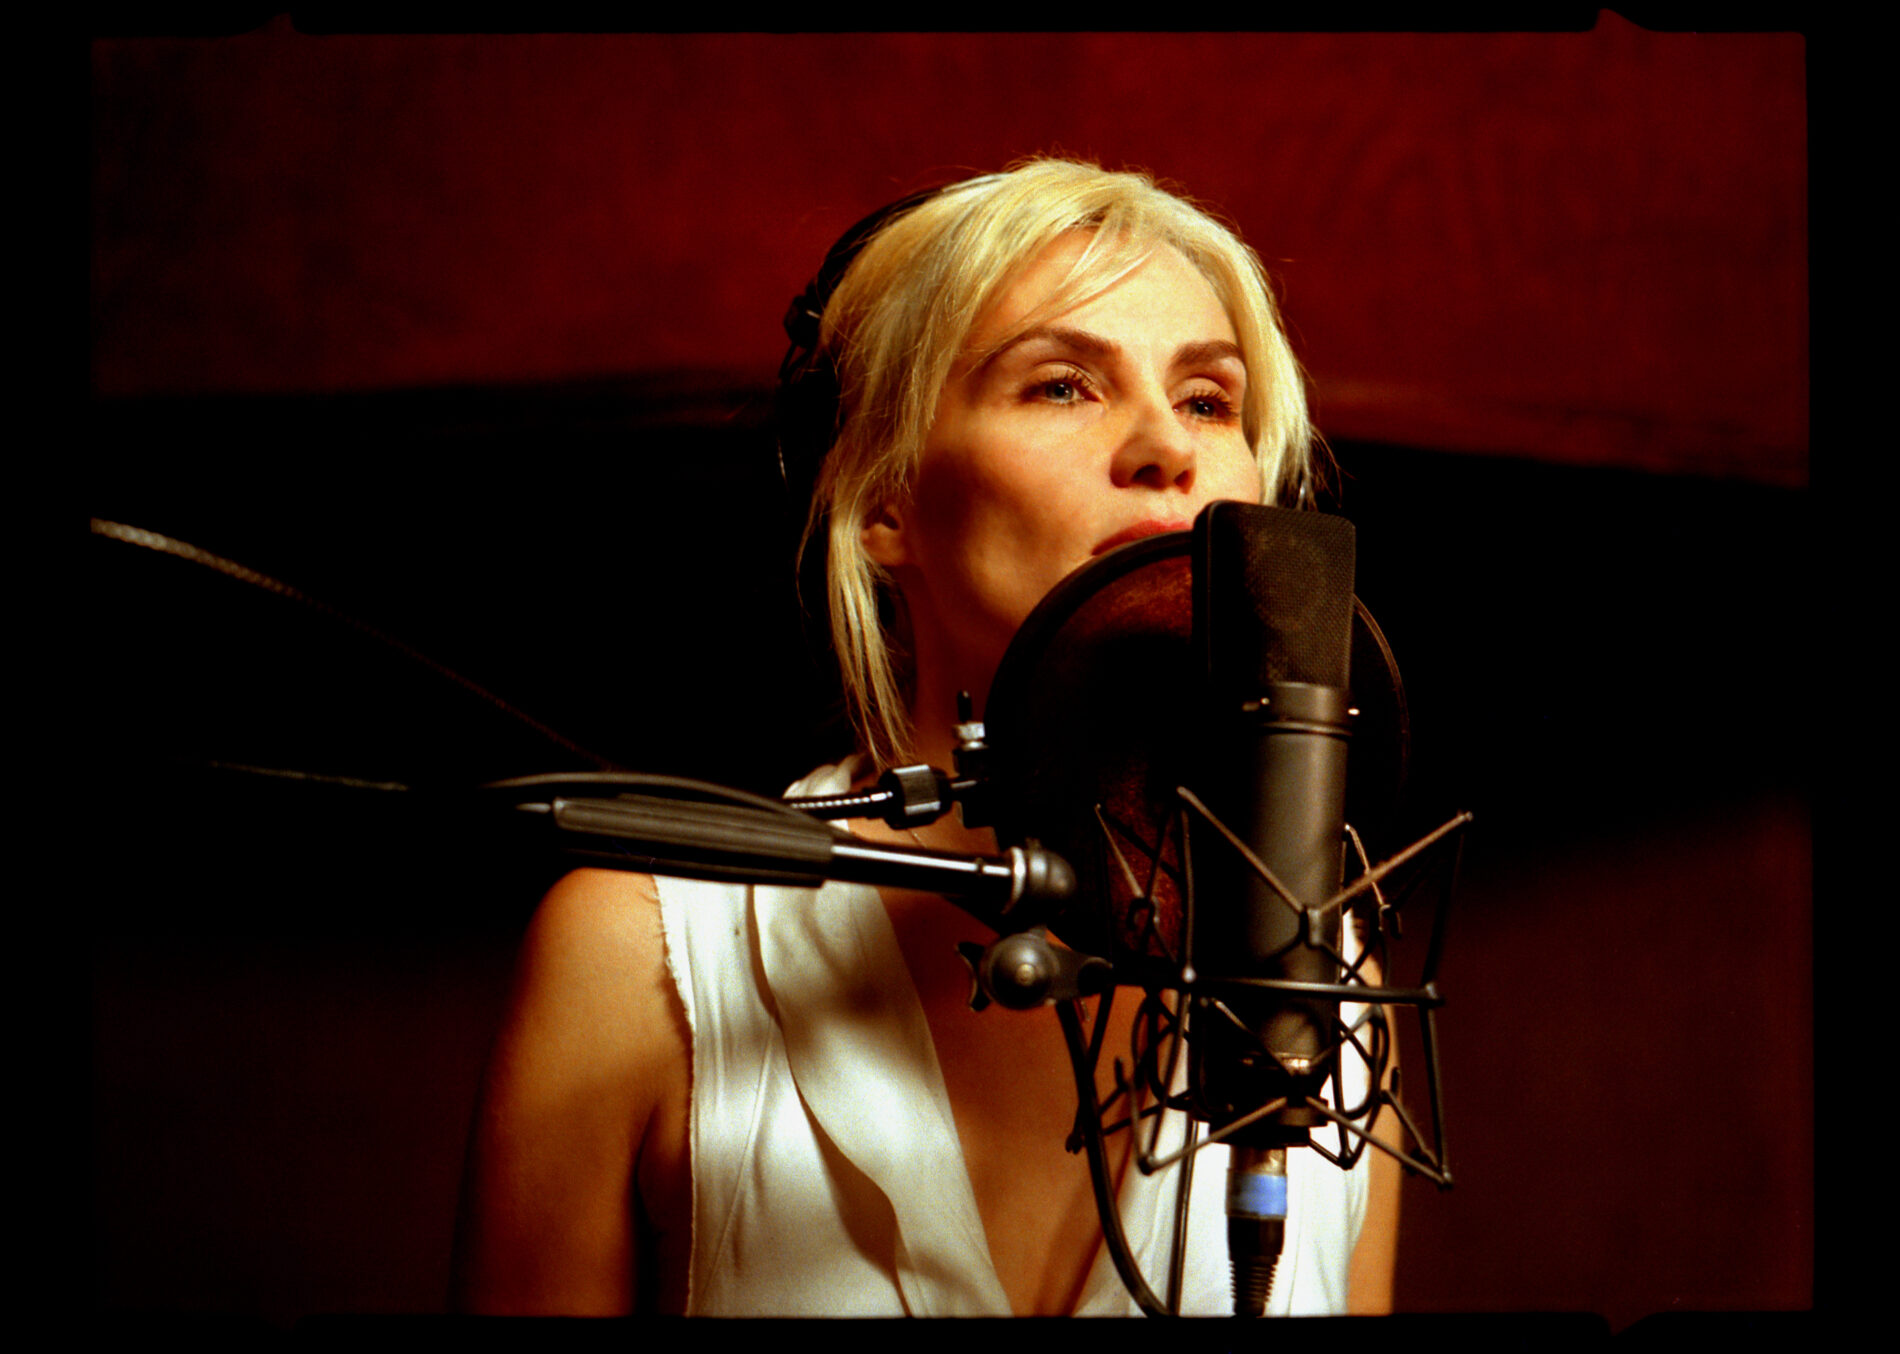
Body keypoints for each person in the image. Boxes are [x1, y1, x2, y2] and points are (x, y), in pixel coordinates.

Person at [450, 157, 1400, 1317]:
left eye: (1208, 400)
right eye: (1061, 386)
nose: (1168, 446)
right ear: (883, 498)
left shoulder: (1327, 976)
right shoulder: (636, 954)